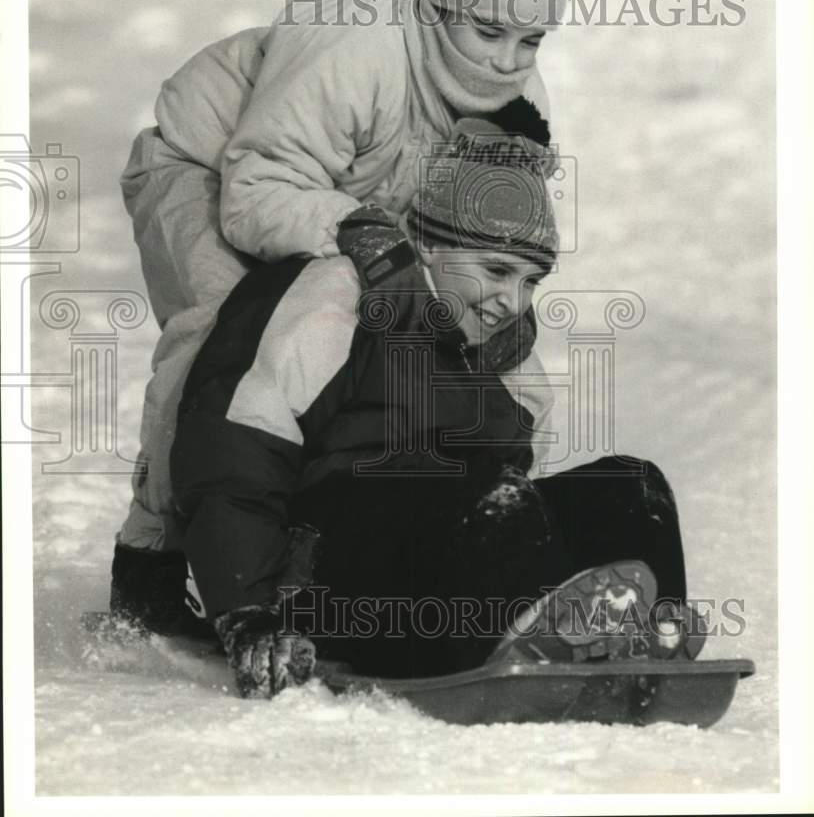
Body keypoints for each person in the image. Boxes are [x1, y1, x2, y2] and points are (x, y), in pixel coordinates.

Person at [110, 0, 575, 633]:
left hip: (355, 205)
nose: (507, 61)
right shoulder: (354, 42)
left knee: (381, 342)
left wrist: (498, 323)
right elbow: (255, 190)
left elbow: (497, 246)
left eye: (530, 42)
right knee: (225, 339)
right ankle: (152, 561)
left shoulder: (519, 103)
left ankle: (326, 544)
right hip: (209, 167)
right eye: (489, 32)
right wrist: (367, 236)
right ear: (435, 7)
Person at [169, 122, 692, 698]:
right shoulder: (335, 302)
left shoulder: (510, 365)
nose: (510, 302)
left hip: (449, 564)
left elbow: (522, 511)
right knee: (481, 490)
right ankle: (502, 648)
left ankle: (645, 639)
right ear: (431, 246)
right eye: (495, 270)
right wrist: (247, 612)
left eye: (530, 281)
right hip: (330, 585)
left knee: (631, 487)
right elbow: (231, 455)